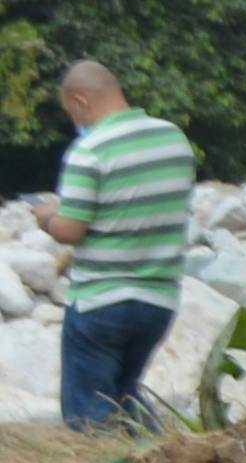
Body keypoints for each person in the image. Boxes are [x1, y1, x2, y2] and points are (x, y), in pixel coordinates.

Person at [32, 63, 195, 430]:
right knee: (124, 395)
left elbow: (70, 230)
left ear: (79, 100)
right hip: (159, 300)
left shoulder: (89, 150)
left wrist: (46, 217)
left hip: (101, 301)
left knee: (89, 417)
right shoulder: (173, 138)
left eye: (70, 110)